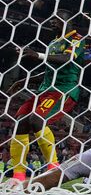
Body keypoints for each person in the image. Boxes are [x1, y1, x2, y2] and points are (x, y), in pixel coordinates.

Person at [7, 9, 85, 181]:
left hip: (63, 91)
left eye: (57, 19)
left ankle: (54, 168)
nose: (52, 22)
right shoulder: (52, 43)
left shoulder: (77, 39)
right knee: (20, 122)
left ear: (68, 21)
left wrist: (39, 55)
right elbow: (50, 72)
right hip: (45, 90)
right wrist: (23, 81)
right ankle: (18, 176)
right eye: (51, 19)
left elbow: (67, 59)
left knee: (36, 119)